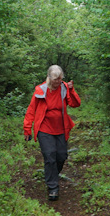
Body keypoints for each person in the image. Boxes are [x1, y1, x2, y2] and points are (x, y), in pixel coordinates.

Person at [23, 65, 81, 201]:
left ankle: (52, 176)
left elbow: (75, 104)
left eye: (60, 79)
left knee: (61, 156)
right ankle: (53, 187)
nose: (58, 82)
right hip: (44, 129)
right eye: (56, 79)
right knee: (49, 156)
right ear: (49, 78)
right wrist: (27, 128)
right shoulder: (41, 90)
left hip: (61, 128)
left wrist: (71, 90)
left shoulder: (65, 87)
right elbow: (31, 110)